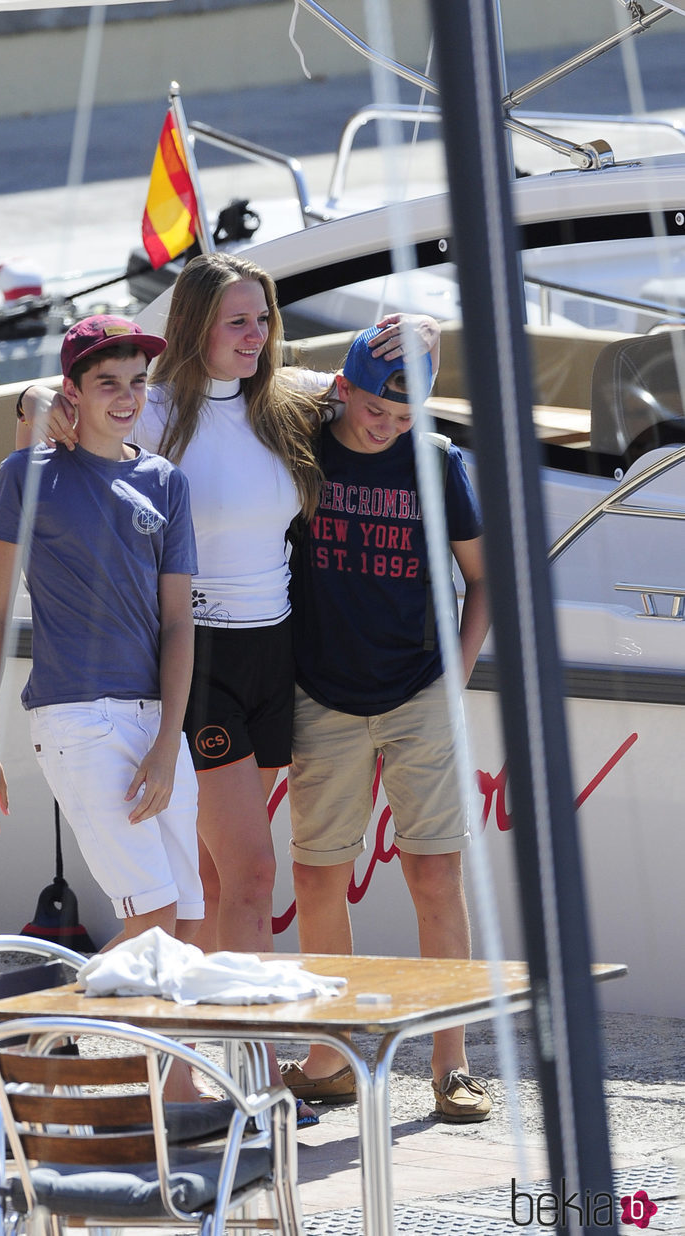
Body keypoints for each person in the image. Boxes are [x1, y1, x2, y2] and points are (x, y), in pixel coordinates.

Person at [30, 254, 439, 965]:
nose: (256, 335)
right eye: (238, 321)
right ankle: (249, 1055)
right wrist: (36, 406)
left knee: (216, 877)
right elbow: (54, 394)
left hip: (273, 654)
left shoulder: (284, 397)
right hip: (196, 656)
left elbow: (371, 377)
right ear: (195, 326)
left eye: (264, 320)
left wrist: (423, 328)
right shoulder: (150, 409)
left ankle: (201, 1047)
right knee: (252, 872)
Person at [280, 327, 492, 1122]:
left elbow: (482, 578)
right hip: (320, 690)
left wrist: (457, 672)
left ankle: (452, 1061)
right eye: (374, 408)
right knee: (316, 876)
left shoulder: (436, 461)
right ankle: (331, 1054)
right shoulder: (303, 445)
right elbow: (260, 379)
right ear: (344, 387)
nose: (387, 427)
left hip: (418, 691)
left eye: (404, 416)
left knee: (434, 875)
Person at [0, 315, 204, 947]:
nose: (128, 397)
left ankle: (73, 1032)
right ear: (72, 391)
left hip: (159, 724)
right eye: (108, 383)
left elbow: (179, 621)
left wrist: (167, 742)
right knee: (154, 923)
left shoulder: (166, 481)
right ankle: (40, 1025)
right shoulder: (26, 474)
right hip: (77, 718)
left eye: (137, 381)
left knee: (187, 927)